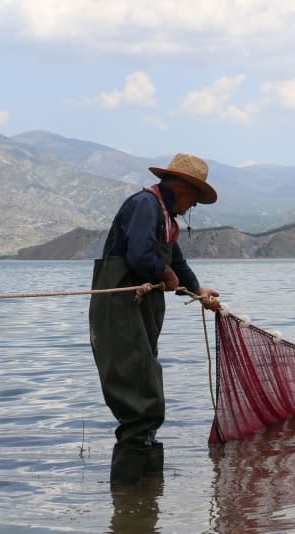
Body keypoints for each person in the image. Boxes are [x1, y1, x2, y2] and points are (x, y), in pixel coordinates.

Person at [89, 153, 220, 486]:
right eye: (194, 197)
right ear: (181, 186)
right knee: (138, 399)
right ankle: (128, 493)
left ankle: (142, 502)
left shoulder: (167, 220)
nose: (193, 207)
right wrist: (162, 272)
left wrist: (196, 290)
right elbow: (140, 254)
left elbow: (176, 260)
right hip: (120, 310)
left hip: (140, 314)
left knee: (147, 393)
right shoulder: (146, 206)